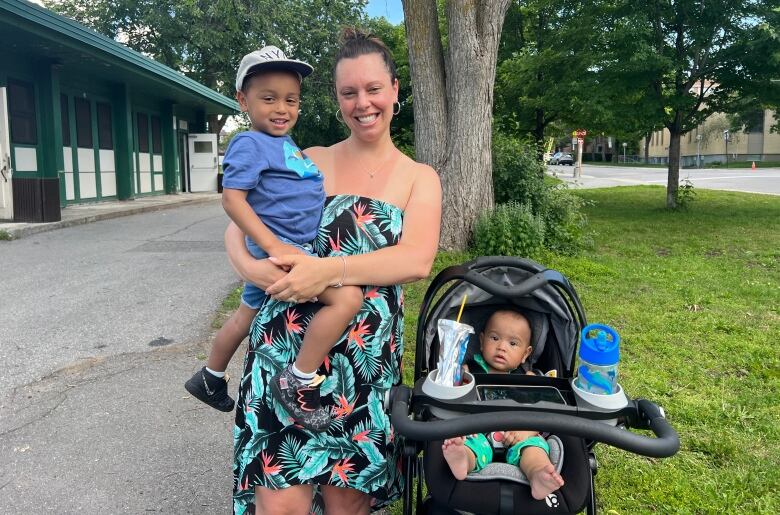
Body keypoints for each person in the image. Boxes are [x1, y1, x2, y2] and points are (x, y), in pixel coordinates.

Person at [225, 28, 441, 515]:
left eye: (373, 89)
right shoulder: (307, 161)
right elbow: (239, 220)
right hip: (284, 358)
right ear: (338, 99)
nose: (362, 103)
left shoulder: (418, 177)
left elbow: (416, 260)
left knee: (348, 507)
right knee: (280, 505)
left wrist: (329, 271)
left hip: (363, 368)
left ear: (395, 90)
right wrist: (247, 267)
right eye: (349, 92)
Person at [184, 45, 363, 432]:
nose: (281, 108)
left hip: (287, 245)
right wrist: (272, 246)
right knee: (348, 298)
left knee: (245, 314)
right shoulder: (249, 143)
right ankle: (298, 379)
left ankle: (210, 376)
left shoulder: (286, 145)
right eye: (269, 99)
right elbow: (233, 200)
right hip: (283, 247)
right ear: (242, 100)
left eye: (291, 100)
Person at [442, 310, 565, 501]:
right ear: (481, 341)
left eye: (513, 343)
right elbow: (454, 398)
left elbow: (545, 412)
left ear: (526, 353)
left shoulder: (529, 379)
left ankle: (538, 474)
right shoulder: (468, 371)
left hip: (519, 435)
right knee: (469, 443)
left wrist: (529, 430)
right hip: (478, 431)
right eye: (494, 338)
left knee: (534, 447)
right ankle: (462, 459)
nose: (502, 347)